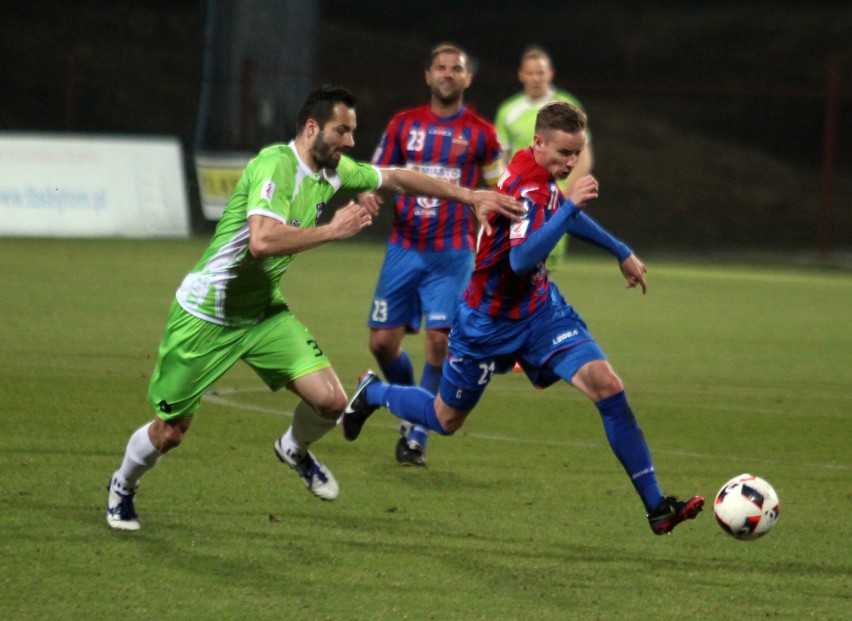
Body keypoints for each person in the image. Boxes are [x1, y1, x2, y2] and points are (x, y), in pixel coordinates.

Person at [105, 85, 523, 531]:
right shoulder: (276, 166)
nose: (350, 141)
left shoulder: (335, 171)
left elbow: (397, 177)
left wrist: (470, 196)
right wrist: (332, 230)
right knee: (170, 432)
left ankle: (294, 449)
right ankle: (123, 487)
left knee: (330, 402)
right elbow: (263, 241)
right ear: (311, 128)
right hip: (207, 315)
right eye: (342, 130)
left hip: (263, 312)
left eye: (353, 131)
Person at [342, 101, 704, 535]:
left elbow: (554, 217)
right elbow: (520, 258)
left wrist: (619, 249)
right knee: (445, 420)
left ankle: (657, 507)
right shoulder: (527, 187)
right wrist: (570, 208)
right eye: (563, 153)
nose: (570, 162)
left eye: (576, 153)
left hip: (539, 312)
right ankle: (374, 392)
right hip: (485, 323)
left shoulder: (536, 172)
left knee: (607, 386)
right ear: (538, 143)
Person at [358, 43, 504, 467]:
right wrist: (368, 192)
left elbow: (499, 188)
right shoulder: (404, 125)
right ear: (428, 75)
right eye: (440, 68)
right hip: (404, 248)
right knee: (382, 344)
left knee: (439, 340)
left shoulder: (482, 133)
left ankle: (418, 435)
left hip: (452, 254)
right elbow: (376, 172)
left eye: (455, 68)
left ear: (467, 78)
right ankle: (410, 407)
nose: (447, 74)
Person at [495, 45, 594, 270]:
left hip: (553, 201)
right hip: (521, 200)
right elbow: (501, 158)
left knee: (543, 268)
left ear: (550, 74)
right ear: (522, 75)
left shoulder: (566, 105)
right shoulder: (508, 111)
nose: (535, 78)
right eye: (530, 73)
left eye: (540, 72)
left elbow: (584, 155)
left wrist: (567, 194)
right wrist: (506, 192)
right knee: (516, 265)